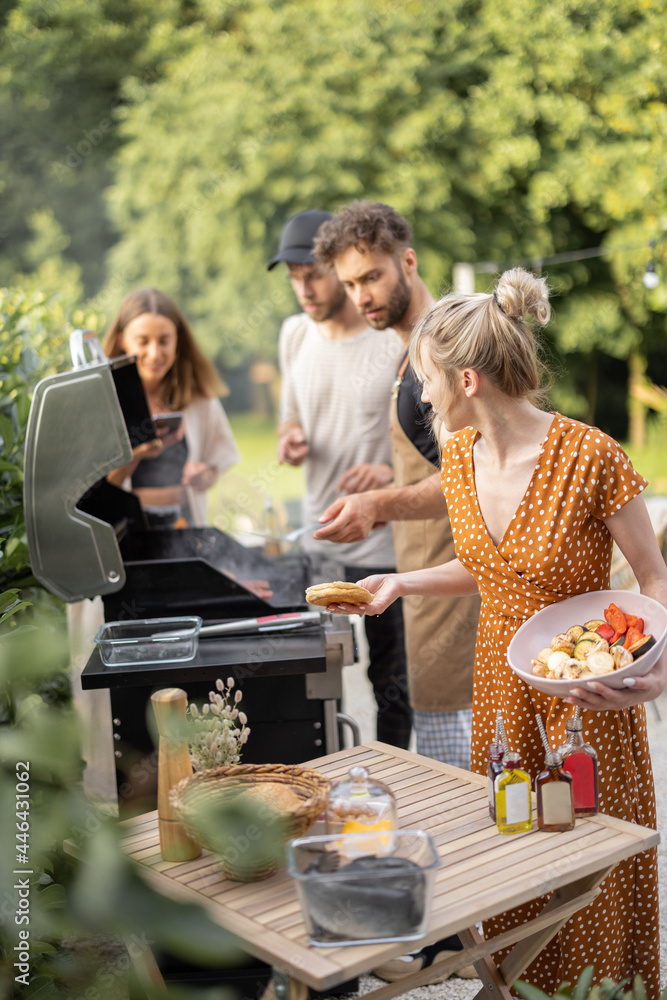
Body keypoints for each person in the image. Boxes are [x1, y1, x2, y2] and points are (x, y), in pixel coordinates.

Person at [325, 266, 666, 999]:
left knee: (587, 879)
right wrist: (401, 582)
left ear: (468, 378)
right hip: (500, 694)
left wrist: (653, 669)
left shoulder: (591, 457)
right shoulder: (457, 457)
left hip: (587, 697)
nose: (420, 395)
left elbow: (652, 574)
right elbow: (490, 566)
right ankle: (508, 986)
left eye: (425, 379)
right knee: (511, 864)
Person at [313, 201, 480, 771]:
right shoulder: (410, 355)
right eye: (350, 283)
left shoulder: (446, 350)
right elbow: (449, 461)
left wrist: (378, 503)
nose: (362, 296)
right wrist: (392, 479)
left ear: (407, 262)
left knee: (467, 804)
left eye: (372, 276)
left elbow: (482, 475)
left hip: (463, 603)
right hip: (433, 591)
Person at [269, 208, 412, 749]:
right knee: (316, 674)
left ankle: (397, 773)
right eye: (293, 278)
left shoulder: (391, 339)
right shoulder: (293, 335)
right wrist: (289, 437)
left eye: (313, 274)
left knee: (390, 679)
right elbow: (290, 414)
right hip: (319, 536)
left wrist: (390, 473)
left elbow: (432, 444)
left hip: (382, 542)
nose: (303, 289)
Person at [102, 287, 239, 527]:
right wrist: (135, 456)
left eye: (164, 341)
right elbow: (95, 496)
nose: (155, 354)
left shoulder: (199, 398)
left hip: (184, 528)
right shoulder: (103, 401)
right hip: (126, 537)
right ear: (122, 340)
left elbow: (216, 465)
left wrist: (204, 475)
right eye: (143, 342)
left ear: (178, 341)